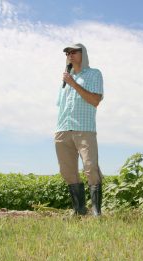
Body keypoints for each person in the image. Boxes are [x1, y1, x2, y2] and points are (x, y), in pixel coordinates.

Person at [55, 43, 104, 216]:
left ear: (83, 54)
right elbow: (60, 106)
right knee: (67, 171)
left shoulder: (94, 74)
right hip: (62, 130)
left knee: (90, 168)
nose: (69, 54)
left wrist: (73, 83)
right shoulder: (65, 79)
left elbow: (95, 100)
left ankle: (97, 212)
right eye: (67, 52)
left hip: (84, 129)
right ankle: (79, 210)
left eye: (74, 51)